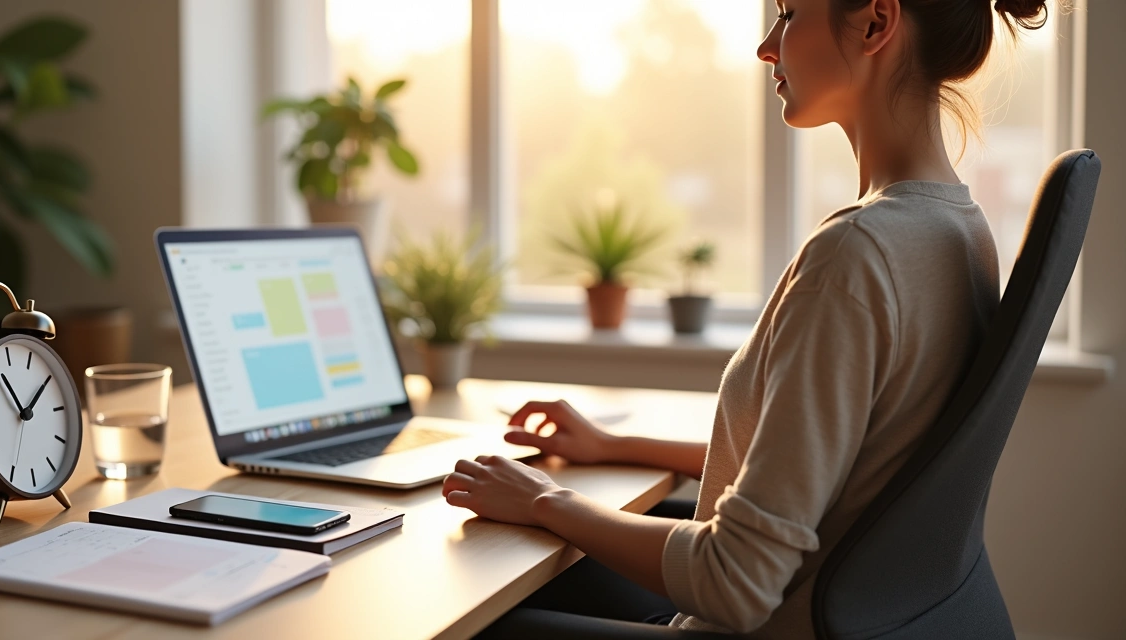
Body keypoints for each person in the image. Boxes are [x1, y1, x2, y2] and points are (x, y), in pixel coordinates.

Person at [443, 0, 1053, 636]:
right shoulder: (957, 227)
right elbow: (815, 462)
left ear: (876, 22)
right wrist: (613, 445)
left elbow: (734, 580)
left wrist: (546, 499)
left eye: (789, 14)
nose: (767, 47)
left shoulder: (857, 254)